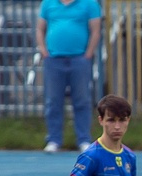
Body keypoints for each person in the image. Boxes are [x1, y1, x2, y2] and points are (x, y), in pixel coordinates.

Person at [36, 0, 101, 153]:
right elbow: (40, 29)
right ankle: (54, 139)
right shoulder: (48, 3)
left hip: (79, 59)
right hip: (54, 59)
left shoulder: (90, 4)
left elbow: (96, 30)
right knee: (53, 101)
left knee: (82, 100)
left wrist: (88, 54)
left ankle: (84, 139)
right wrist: (44, 50)